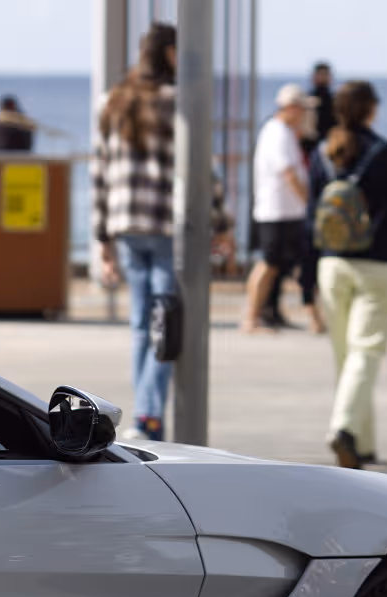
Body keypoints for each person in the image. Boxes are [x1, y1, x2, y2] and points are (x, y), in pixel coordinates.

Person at [92, 23, 233, 441]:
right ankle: (150, 415)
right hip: (165, 224)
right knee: (168, 321)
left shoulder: (112, 101)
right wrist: (222, 223)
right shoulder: (177, 102)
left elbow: (99, 172)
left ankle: (144, 416)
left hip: (126, 223)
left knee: (142, 323)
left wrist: (101, 238)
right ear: (170, 54)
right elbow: (202, 171)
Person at [307, 79, 387, 470]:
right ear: (372, 109)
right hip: (379, 264)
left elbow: (311, 220)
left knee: (346, 357)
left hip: (331, 265)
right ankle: (344, 429)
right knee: (366, 352)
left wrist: (306, 280)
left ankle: (362, 444)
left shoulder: (322, 155)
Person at [247, 84, 314, 333]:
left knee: (280, 266)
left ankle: (270, 313)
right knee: (267, 264)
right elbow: (289, 174)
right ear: (291, 108)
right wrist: (308, 202)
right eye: (303, 109)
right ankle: (251, 317)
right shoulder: (276, 133)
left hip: (286, 210)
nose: (306, 114)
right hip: (275, 210)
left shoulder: (286, 132)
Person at [305, 62, 337, 154]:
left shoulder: (334, 100)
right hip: (312, 145)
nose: (324, 78)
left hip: (329, 143)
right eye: (321, 75)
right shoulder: (308, 99)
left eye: (326, 75)